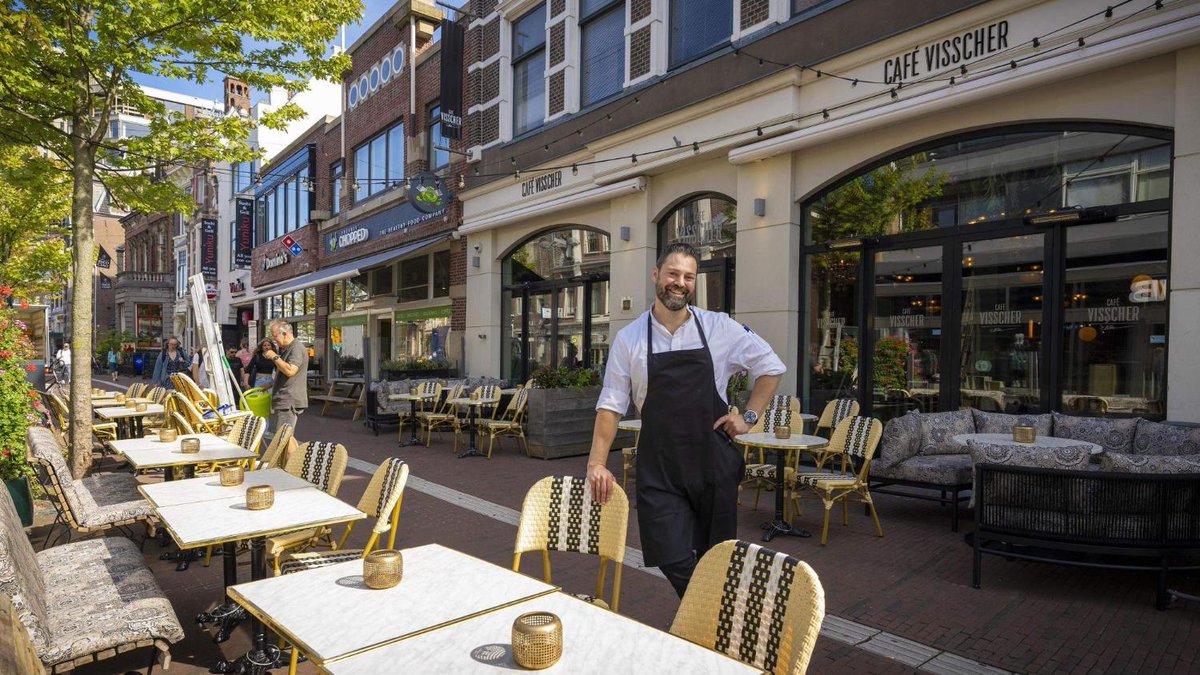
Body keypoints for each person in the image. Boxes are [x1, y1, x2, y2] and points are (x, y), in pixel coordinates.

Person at [586, 242, 785, 599]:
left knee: (717, 557)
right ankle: (714, 611)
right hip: (660, 467)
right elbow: (611, 405)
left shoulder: (719, 327)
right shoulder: (629, 339)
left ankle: (705, 628)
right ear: (656, 275)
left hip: (712, 464)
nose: (680, 283)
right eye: (673, 274)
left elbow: (770, 367)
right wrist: (596, 463)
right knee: (671, 553)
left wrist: (750, 418)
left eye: (688, 277)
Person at [262, 319, 308, 434]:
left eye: (274, 336)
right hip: (286, 400)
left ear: (284, 334)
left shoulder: (296, 348)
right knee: (285, 437)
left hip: (289, 400)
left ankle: (295, 452)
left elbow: (291, 371)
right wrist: (270, 384)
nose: (274, 340)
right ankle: (295, 452)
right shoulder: (289, 348)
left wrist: (274, 357)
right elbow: (285, 372)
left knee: (283, 437)